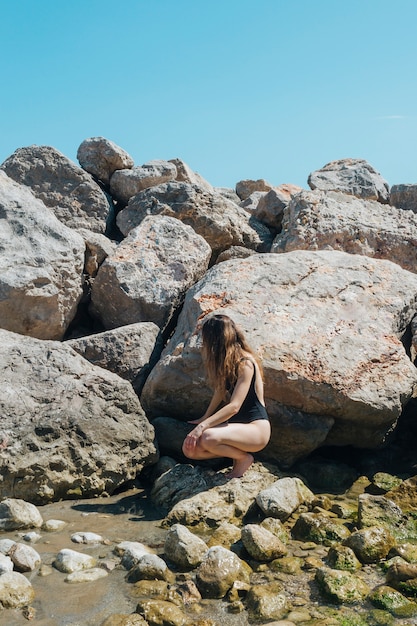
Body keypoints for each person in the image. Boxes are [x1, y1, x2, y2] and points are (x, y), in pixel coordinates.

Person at [182, 314, 271, 478]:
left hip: (256, 430)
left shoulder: (246, 363)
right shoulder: (228, 360)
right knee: (191, 450)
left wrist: (202, 428)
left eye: (206, 339)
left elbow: (234, 406)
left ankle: (244, 458)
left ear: (215, 339)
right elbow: (220, 391)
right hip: (239, 429)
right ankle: (238, 456)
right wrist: (204, 418)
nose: (204, 343)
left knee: (207, 437)